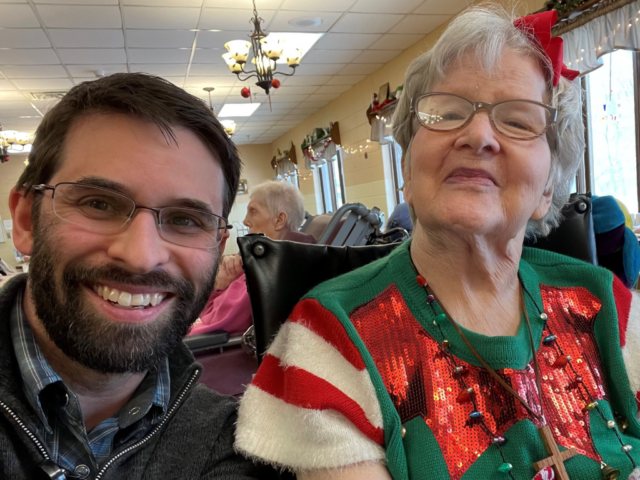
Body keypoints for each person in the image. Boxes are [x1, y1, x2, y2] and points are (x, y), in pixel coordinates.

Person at [235, 7, 640, 480]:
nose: (477, 135)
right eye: (446, 113)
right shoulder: (328, 340)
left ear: (548, 188)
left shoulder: (604, 301)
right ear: (407, 170)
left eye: (517, 120)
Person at [1, 73, 273, 480]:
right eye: (99, 204)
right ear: (25, 220)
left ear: (217, 250)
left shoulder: (232, 446)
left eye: (184, 220)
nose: (141, 257)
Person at [189, 181, 315, 337]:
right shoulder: (259, 262)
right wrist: (221, 286)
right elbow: (212, 316)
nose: (245, 221)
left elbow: (214, 328)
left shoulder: (267, 270)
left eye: (253, 211)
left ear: (279, 220)